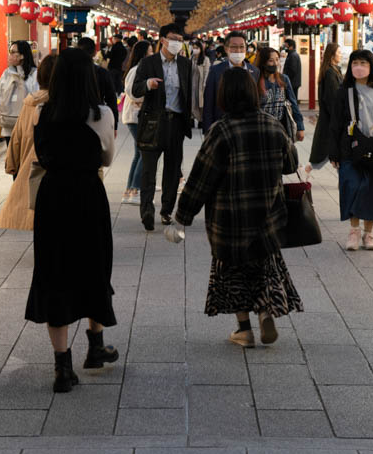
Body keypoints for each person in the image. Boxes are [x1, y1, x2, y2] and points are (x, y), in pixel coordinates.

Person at [175, 68, 304, 347]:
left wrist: (183, 214)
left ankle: (243, 329)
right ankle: (266, 311)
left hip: (230, 220)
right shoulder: (273, 125)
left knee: (233, 273)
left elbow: (201, 178)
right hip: (268, 216)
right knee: (265, 267)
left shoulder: (221, 130)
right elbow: (291, 164)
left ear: (225, 95)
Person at [24, 49, 120, 391]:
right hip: (88, 195)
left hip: (52, 198)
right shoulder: (102, 113)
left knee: (55, 272)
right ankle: (96, 347)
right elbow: (106, 157)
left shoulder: (41, 112)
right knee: (94, 266)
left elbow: (41, 154)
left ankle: (62, 367)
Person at [322, 49, 373, 250]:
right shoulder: (344, 91)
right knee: (351, 187)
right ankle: (354, 231)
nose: (359, 68)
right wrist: (333, 152)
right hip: (350, 148)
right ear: (350, 67)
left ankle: (369, 234)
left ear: (371, 67)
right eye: (355, 63)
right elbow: (335, 124)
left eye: (363, 63)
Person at [130, 24, 198, 232]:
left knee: (172, 169)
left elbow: (190, 93)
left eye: (180, 38)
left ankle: (167, 210)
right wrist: (147, 84)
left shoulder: (186, 64)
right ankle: (147, 211)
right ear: (162, 40)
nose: (177, 42)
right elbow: (135, 89)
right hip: (152, 122)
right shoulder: (148, 63)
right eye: (173, 38)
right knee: (149, 169)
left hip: (176, 122)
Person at [0, 54, 56, 230]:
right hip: (56, 169)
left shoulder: (29, 104)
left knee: (37, 214)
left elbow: (16, 137)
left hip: (31, 169)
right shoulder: (62, 103)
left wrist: (12, 164)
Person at [120, 38, 152, 204]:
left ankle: (129, 190)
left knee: (138, 153)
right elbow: (132, 92)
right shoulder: (137, 69)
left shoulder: (138, 68)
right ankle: (136, 189)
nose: (152, 54)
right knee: (144, 153)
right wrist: (144, 98)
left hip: (134, 115)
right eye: (150, 51)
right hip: (135, 116)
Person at [201, 31, 254, 131]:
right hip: (222, 127)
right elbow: (208, 102)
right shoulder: (215, 71)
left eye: (242, 46)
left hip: (248, 127)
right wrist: (207, 130)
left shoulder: (254, 71)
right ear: (226, 48)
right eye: (233, 47)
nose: (238, 50)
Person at [306, 42, 344, 168]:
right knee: (328, 149)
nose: (341, 55)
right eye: (338, 52)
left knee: (330, 150)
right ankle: (309, 168)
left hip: (330, 117)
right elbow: (332, 98)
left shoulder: (333, 70)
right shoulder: (330, 73)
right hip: (331, 118)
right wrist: (338, 116)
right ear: (332, 55)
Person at [256, 45, 305, 142]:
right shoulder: (256, 80)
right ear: (263, 63)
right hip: (261, 129)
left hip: (281, 128)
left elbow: (293, 103)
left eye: (277, 60)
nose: (275, 63)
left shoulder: (283, 79)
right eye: (271, 60)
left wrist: (300, 127)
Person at [0, 41, 35, 139]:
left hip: (27, 128)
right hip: (8, 127)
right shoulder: (7, 74)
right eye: (10, 52)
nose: (9, 55)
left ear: (22, 55)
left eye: (13, 52)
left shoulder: (34, 74)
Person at [77, 36, 120, 125]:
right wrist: (114, 123)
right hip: (97, 117)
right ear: (94, 53)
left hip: (74, 117)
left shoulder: (70, 71)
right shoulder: (102, 72)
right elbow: (111, 99)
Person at [281, 36, 303, 104]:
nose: (285, 48)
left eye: (286, 46)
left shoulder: (293, 55)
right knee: (293, 99)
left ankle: (294, 114)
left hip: (292, 83)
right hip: (293, 82)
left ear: (291, 46)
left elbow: (292, 70)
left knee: (292, 100)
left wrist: (286, 79)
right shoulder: (292, 54)